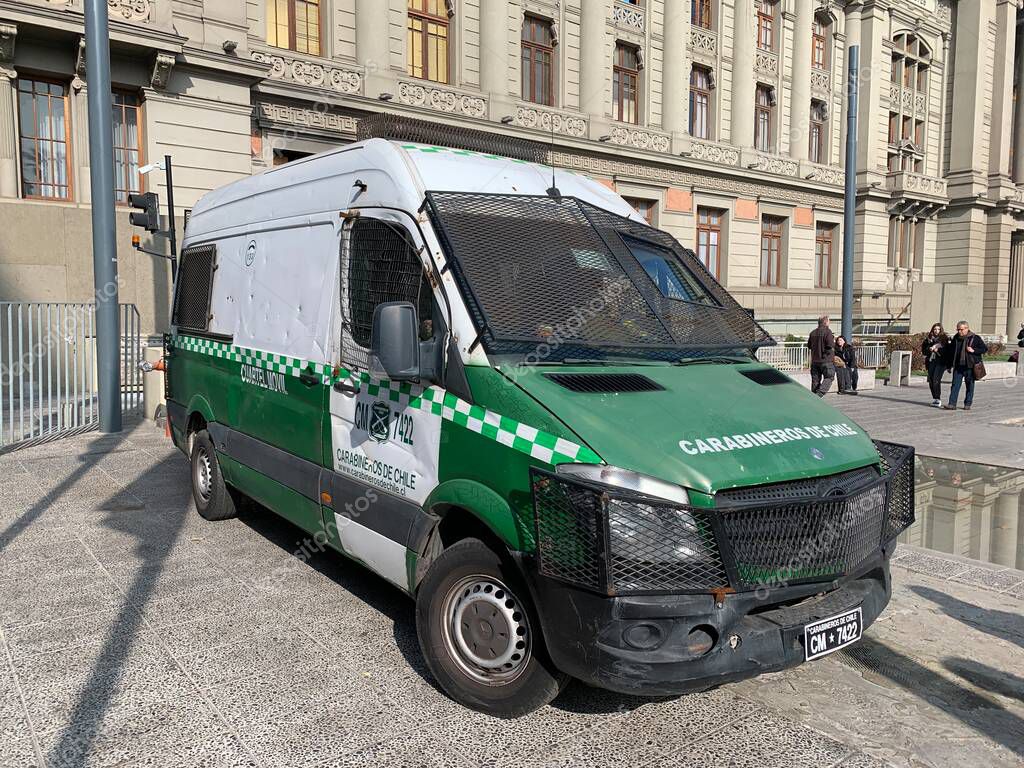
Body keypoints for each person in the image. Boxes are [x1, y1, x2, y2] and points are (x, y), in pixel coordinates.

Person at [942, 320, 987, 411]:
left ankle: (968, 403)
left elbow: (984, 349)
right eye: (958, 329)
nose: (959, 331)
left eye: (961, 329)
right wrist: (949, 365)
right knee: (955, 385)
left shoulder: (975, 338)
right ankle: (952, 404)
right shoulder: (956, 338)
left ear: (967, 328)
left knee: (970, 385)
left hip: (970, 366)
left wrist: (973, 350)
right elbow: (951, 352)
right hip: (958, 366)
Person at [806, 315, 835, 397]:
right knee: (829, 377)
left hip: (815, 360)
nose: (829, 323)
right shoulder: (827, 331)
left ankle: (814, 397)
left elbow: (809, 346)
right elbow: (830, 345)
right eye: (829, 321)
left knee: (815, 380)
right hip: (826, 360)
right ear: (825, 322)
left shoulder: (812, 332)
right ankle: (819, 394)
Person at [921, 323, 949, 407]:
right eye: (935, 329)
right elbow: (924, 351)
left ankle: (938, 399)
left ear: (941, 330)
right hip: (931, 361)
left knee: (936, 379)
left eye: (938, 329)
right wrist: (929, 349)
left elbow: (948, 351)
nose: (936, 331)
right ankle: (935, 398)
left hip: (941, 362)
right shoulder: (928, 339)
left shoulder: (944, 339)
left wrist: (938, 350)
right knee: (931, 380)